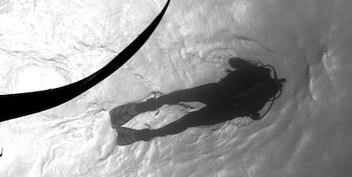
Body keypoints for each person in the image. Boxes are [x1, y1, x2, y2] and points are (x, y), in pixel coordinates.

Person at [110, 58, 285, 145]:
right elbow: (252, 113)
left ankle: (139, 108)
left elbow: (233, 61)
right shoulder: (262, 99)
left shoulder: (255, 71)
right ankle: (141, 135)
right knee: (187, 122)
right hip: (226, 111)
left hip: (217, 92)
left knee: (178, 97)